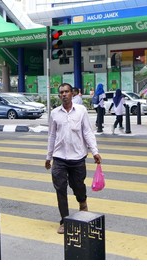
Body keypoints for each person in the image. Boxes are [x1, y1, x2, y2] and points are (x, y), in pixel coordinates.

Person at [45, 83, 102, 234]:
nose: (64, 94)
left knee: (78, 186)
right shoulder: (55, 114)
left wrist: (95, 151)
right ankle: (64, 220)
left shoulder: (81, 111)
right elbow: (51, 136)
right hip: (59, 158)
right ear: (59, 96)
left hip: (77, 158)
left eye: (67, 92)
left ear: (72, 94)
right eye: (61, 92)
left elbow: (88, 132)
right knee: (60, 189)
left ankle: (82, 203)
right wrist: (48, 157)